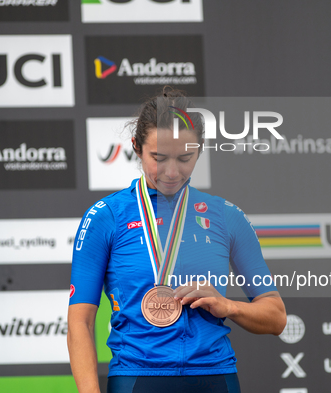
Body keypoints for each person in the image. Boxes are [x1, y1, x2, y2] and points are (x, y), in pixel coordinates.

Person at [67, 88, 287, 393]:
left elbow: (276, 317)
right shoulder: (106, 217)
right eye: (158, 158)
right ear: (136, 147)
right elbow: (80, 322)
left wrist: (229, 306)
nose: (171, 172)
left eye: (185, 158)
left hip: (214, 377)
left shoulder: (226, 216)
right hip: (137, 378)